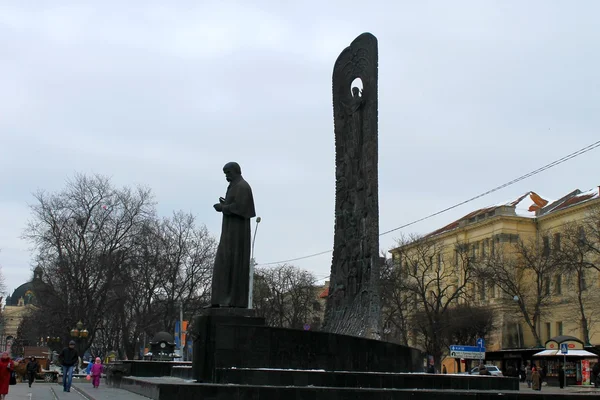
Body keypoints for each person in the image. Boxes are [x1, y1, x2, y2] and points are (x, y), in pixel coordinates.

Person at [211, 162, 256, 308]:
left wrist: (223, 207)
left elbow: (242, 208)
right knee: (222, 263)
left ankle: (231, 300)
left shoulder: (242, 186)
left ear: (236, 171)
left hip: (237, 235)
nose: (226, 176)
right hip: (229, 232)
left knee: (231, 262)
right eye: (225, 173)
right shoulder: (234, 186)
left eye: (228, 172)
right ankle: (221, 299)